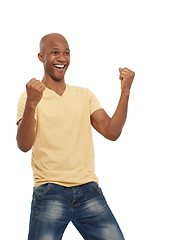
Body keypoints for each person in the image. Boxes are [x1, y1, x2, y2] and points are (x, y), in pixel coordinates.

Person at [16, 33, 135, 240]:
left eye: (66, 53)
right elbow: (24, 145)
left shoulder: (84, 95)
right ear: (41, 57)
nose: (62, 58)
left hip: (87, 189)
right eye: (55, 53)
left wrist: (125, 92)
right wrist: (32, 105)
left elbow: (111, 132)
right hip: (50, 189)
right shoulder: (29, 97)